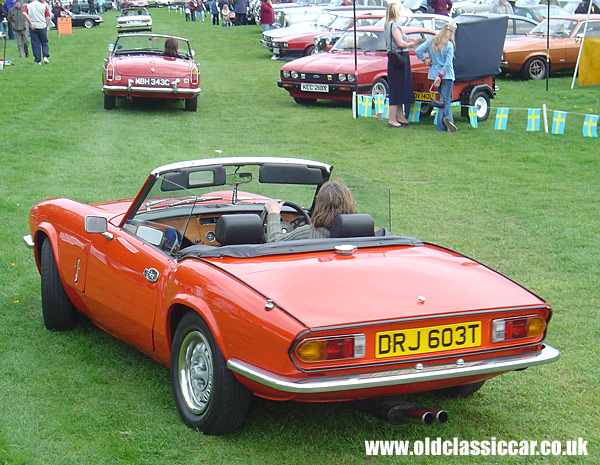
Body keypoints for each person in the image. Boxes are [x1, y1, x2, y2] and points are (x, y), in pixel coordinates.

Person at [264, 181, 357, 242]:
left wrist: (273, 214)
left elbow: (274, 242)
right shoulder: (361, 233)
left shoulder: (309, 233)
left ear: (320, 206)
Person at [415, 23, 457, 132]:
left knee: (443, 100)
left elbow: (418, 50)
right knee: (445, 101)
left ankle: (449, 125)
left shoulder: (431, 42)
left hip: (433, 74)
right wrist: (441, 76)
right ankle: (441, 126)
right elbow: (448, 64)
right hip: (446, 76)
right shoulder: (449, 45)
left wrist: (425, 61)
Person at [384, 2, 416, 128]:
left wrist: (408, 39)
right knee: (397, 88)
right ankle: (392, 119)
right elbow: (400, 43)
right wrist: (410, 45)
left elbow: (401, 40)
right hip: (399, 58)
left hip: (394, 58)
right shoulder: (394, 25)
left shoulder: (388, 25)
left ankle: (401, 116)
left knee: (400, 86)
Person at [22, 0, 51, 65]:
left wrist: (30, 22)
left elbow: (24, 13)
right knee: (44, 42)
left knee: (35, 43)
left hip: (33, 26)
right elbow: (48, 17)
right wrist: (46, 25)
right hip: (42, 26)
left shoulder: (28, 6)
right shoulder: (43, 5)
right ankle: (45, 56)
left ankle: (38, 61)